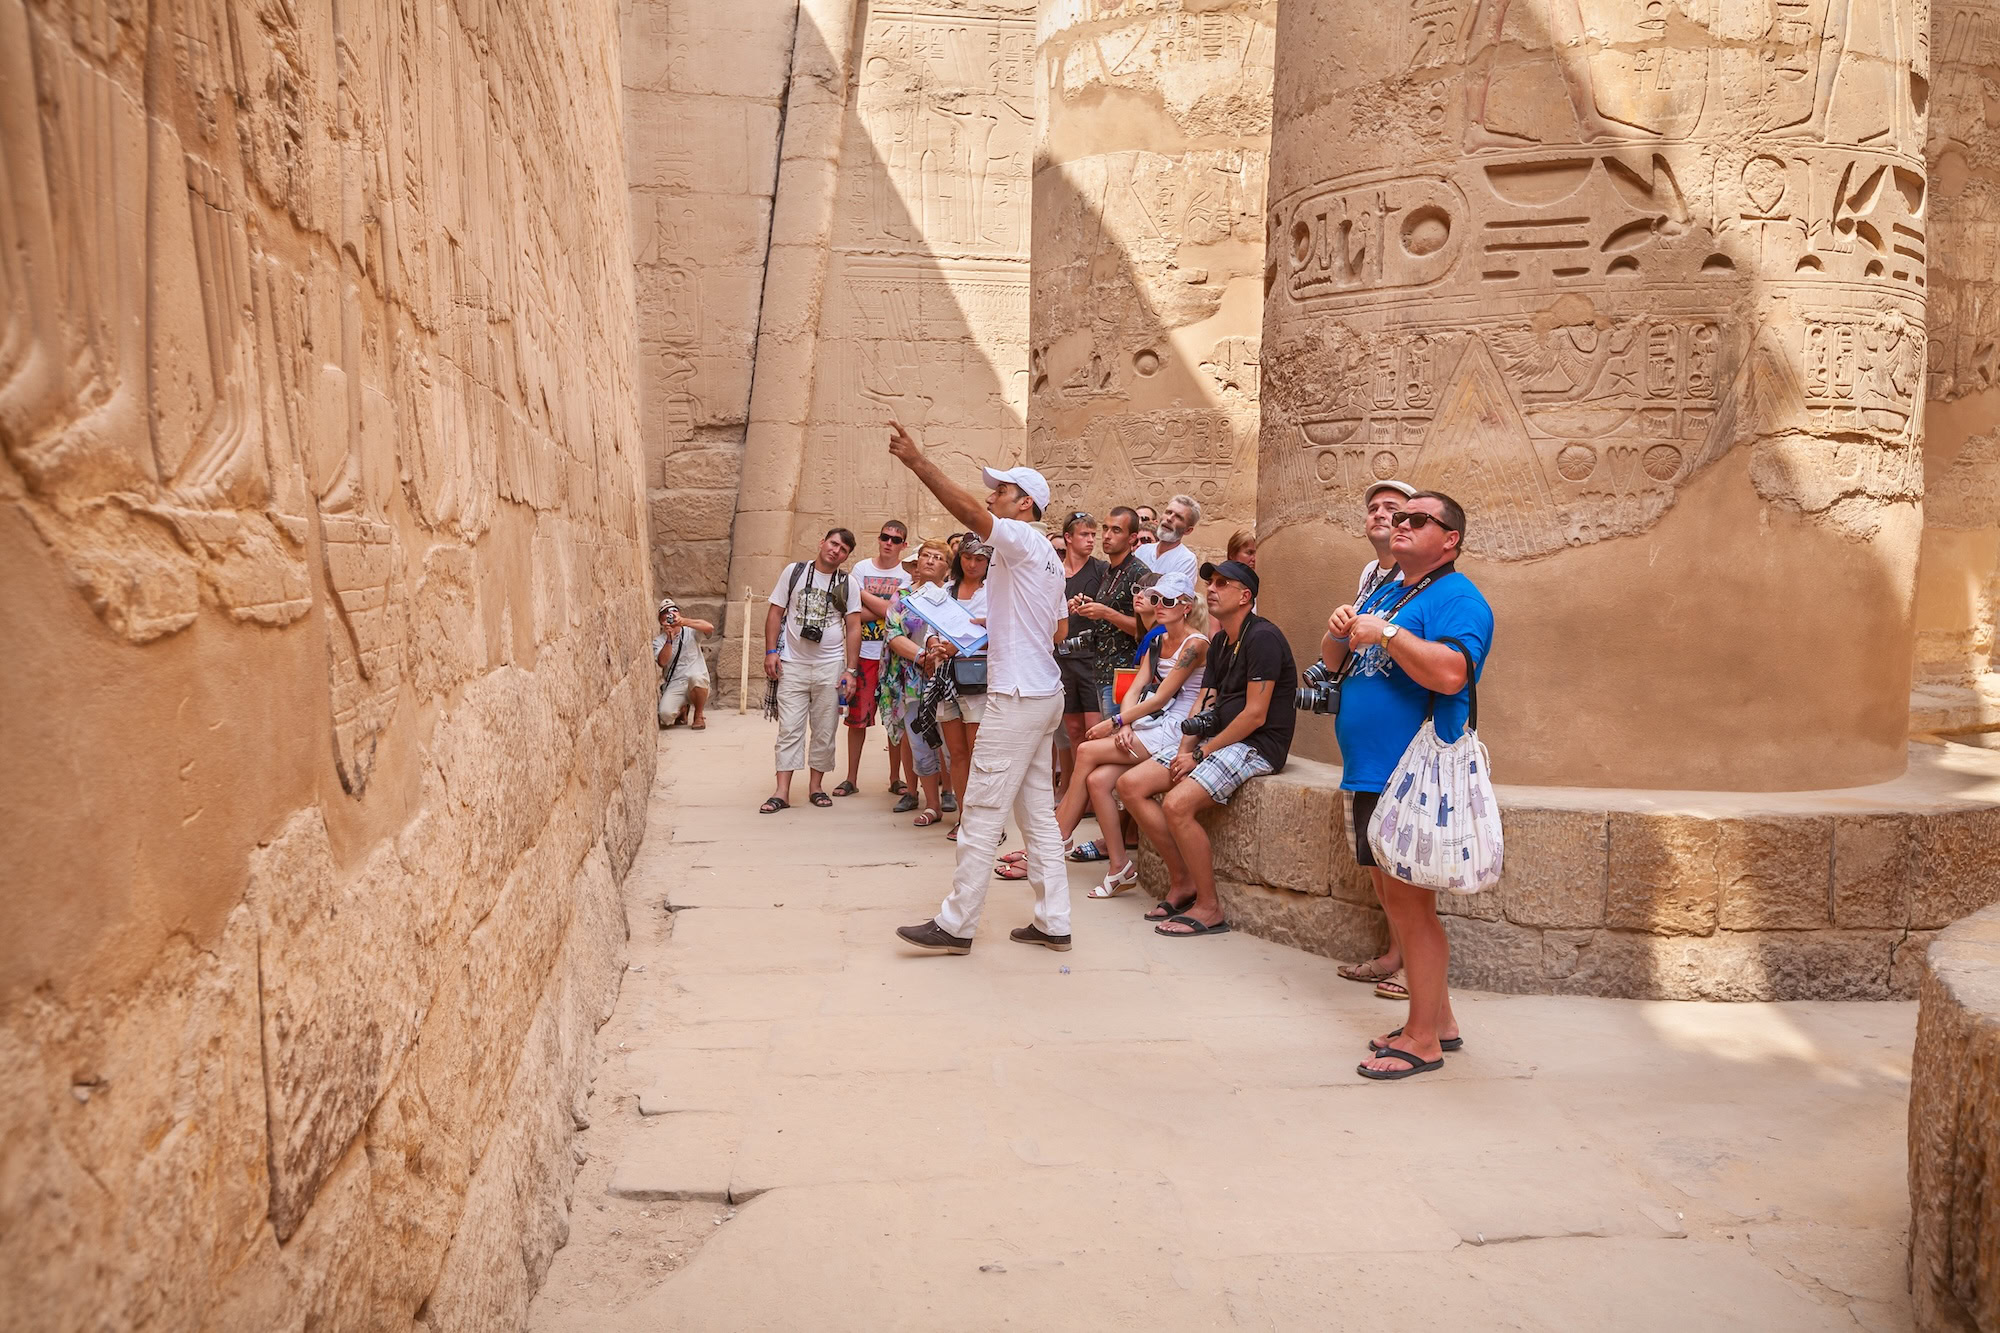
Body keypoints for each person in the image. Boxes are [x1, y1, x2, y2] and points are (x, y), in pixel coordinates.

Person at [887, 422, 1073, 954]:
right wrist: (963, 636)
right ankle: (1053, 921)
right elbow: (1052, 629)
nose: (993, 496)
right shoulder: (1046, 560)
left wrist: (917, 462)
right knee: (1036, 816)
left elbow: (971, 515)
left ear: (1024, 506)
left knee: (983, 811)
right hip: (1042, 694)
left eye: (1002, 491)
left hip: (1017, 698)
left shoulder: (1018, 538)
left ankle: (957, 924)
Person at [1329, 492, 1492, 1081]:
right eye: (1398, 517)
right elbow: (1341, 657)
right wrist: (1345, 628)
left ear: (1449, 538)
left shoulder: (1458, 597)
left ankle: (1421, 1040)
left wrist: (1388, 635)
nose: (1400, 524)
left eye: (1417, 518)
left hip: (1410, 776)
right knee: (1398, 901)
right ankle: (1439, 1021)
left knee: (1412, 908)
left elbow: (1453, 675)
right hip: (1373, 771)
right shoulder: (1391, 588)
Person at [1118, 559, 1296, 937]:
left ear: (1245, 596)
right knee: (1130, 785)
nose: (1211, 589)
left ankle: (1209, 907)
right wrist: (1186, 748)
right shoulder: (1220, 642)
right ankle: (1182, 880)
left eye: (1222, 583)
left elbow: (1255, 715)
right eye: (1210, 582)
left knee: (1178, 804)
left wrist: (1200, 753)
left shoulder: (1262, 638)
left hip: (1256, 744)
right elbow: (1203, 704)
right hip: (1216, 739)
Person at [1036, 571, 1208, 896]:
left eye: (1167, 600)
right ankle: (1119, 867)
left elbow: (1162, 696)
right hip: (1151, 721)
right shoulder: (1158, 639)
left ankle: (1059, 836)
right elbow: (1135, 687)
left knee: (1087, 751)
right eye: (1156, 598)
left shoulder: (1195, 644)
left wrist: (1113, 723)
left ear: (1186, 606)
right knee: (1098, 781)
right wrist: (1125, 723)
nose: (1159, 605)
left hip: (1177, 728)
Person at [1322, 479, 1415, 996]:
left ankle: (1411, 966)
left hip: (1400, 745)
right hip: (1364, 749)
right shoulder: (1370, 576)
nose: (1381, 515)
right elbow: (1342, 653)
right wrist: (1339, 626)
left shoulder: (1424, 583)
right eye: (1374, 508)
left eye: (1394, 510)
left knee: (1401, 862)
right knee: (1376, 858)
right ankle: (1393, 953)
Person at [760, 529, 864, 813]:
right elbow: (775, 612)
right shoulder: (793, 572)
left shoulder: (847, 583)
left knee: (824, 729)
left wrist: (850, 670)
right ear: (822, 543)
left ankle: (816, 786)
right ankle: (782, 791)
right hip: (792, 663)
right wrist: (771, 652)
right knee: (789, 728)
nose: (835, 551)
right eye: (833, 544)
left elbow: (854, 626)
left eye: (843, 549)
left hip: (830, 666)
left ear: (846, 556)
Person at [837, 520, 914, 798]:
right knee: (857, 720)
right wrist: (882, 608)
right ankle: (851, 778)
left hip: (893, 657)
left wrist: (863, 595)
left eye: (895, 539)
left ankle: (896, 778)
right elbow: (854, 615)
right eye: (885, 537)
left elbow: (894, 611)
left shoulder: (906, 573)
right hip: (866, 655)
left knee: (895, 721)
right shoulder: (862, 568)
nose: (889, 543)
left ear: (903, 544)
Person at [882, 539, 953, 816]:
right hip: (912, 679)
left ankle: (951, 793)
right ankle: (931, 805)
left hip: (946, 679)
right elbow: (893, 634)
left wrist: (937, 657)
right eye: (926, 556)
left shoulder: (952, 595)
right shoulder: (902, 596)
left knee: (950, 742)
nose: (931, 561)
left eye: (938, 557)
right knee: (919, 742)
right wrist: (922, 657)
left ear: (947, 567)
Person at [932, 537, 992, 840]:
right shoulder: (946, 590)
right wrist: (934, 646)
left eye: (979, 559)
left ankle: (983, 822)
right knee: (956, 752)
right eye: (968, 557)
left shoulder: (994, 591)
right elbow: (932, 628)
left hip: (978, 678)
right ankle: (964, 817)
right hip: (946, 678)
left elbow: (1002, 630)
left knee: (977, 750)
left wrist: (959, 645)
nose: (972, 564)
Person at [1069, 506, 1149, 718]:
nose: (1106, 536)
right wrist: (1087, 605)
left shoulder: (1139, 573)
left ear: (1132, 538)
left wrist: (1105, 612)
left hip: (1125, 675)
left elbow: (1148, 629)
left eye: (1116, 530)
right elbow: (1110, 609)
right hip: (1101, 670)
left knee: (1116, 740)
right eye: (1105, 529)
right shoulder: (1108, 571)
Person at [1054, 510, 1107, 794]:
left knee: (1093, 730)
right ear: (1068, 538)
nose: (1090, 540)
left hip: (1092, 659)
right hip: (1061, 658)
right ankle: (1080, 794)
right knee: (1072, 730)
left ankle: (1094, 793)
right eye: (1084, 535)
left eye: (1092, 535)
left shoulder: (1100, 570)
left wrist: (1091, 605)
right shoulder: (1053, 573)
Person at [654, 598, 715, 730]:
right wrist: (669, 639)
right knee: (665, 716)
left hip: (696, 681)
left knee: (696, 677)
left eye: (674, 611)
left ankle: (698, 715)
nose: (671, 614)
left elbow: (709, 628)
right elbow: (662, 662)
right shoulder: (659, 641)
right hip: (676, 683)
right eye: (666, 612)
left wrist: (684, 622)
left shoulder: (691, 631)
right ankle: (682, 709)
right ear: (661, 620)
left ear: (679, 614)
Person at [1136, 493, 1201, 581]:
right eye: (1168, 512)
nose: (1169, 518)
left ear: (1188, 530)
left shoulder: (1186, 560)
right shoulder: (1142, 551)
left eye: (1178, 517)